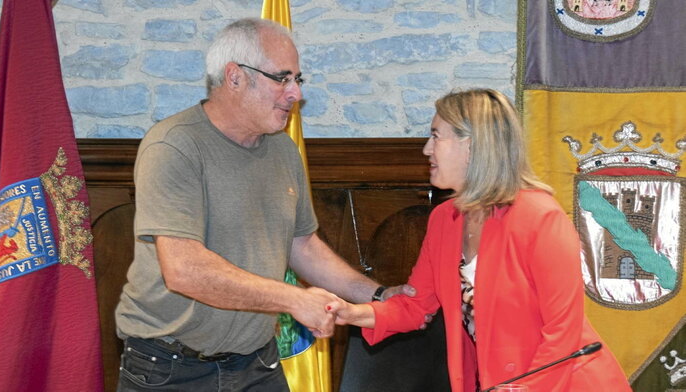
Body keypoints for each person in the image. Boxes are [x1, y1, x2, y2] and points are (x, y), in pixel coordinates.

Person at [114, 18, 418, 391]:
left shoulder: (282, 150)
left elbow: (301, 245)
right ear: (235, 76)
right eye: (282, 78)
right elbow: (184, 269)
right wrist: (294, 299)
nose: (295, 94)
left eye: (298, 80)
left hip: (257, 361)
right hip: (171, 369)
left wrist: (378, 294)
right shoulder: (174, 146)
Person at [329, 89, 632, 392]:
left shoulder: (541, 219)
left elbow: (562, 334)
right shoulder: (444, 220)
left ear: (472, 145)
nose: (426, 149)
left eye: (436, 136)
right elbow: (415, 305)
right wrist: (350, 313)